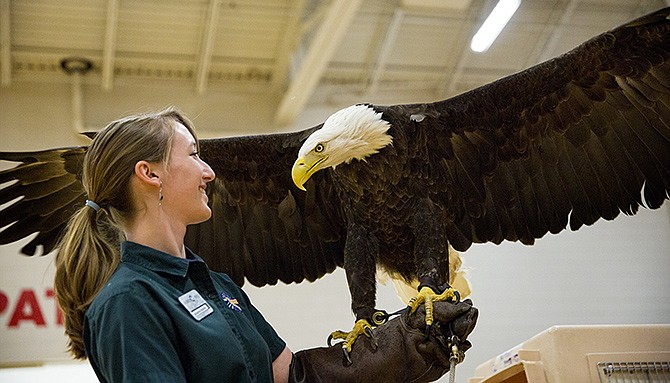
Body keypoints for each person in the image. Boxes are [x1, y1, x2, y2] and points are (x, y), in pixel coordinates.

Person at [54, 108, 477, 383]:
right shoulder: (130, 302)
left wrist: (405, 345)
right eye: (195, 154)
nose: (209, 170)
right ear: (150, 174)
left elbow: (294, 377)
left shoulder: (217, 287)